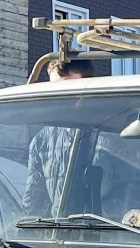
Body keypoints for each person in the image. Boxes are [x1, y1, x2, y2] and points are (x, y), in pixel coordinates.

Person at [23, 58, 95, 214]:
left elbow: (125, 194)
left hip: (106, 233)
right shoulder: (41, 140)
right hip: (59, 232)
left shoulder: (108, 133)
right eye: (55, 89)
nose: (62, 96)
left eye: (70, 88)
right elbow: (34, 199)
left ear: (88, 89)